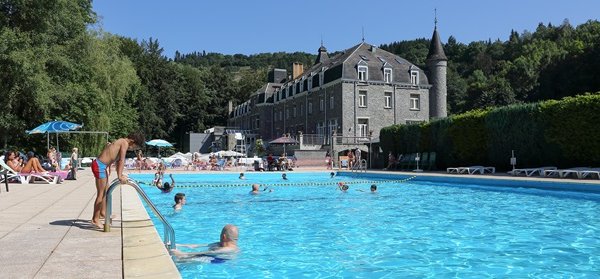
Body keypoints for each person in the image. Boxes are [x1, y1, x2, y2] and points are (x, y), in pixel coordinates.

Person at [91, 132, 145, 229]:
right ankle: (95, 219)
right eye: (134, 147)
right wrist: (119, 176)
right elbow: (121, 160)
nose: (132, 149)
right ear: (133, 141)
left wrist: (111, 168)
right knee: (101, 193)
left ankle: (103, 213)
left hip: (101, 166)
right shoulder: (124, 143)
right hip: (100, 166)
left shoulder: (120, 141)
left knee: (106, 191)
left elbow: (114, 158)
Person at [171, 224, 239, 262]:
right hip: (211, 255)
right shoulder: (219, 244)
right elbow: (198, 246)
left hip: (218, 260)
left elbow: (207, 253)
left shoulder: (229, 249)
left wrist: (184, 254)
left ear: (224, 236)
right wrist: (178, 244)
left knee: (186, 259)